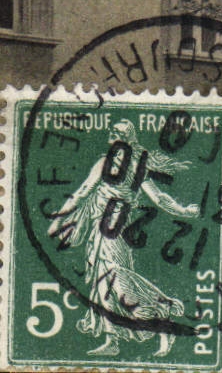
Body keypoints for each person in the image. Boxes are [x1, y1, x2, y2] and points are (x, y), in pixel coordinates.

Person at [47, 118, 200, 358]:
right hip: (102, 228)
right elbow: (83, 191)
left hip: (115, 230)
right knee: (103, 283)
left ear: (127, 140)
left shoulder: (131, 167)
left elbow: (158, 198)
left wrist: (183, 211)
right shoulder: (106, 163)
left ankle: (162, 308)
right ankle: (115, 338)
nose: (112, 134)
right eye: (112, 131)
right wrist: (60, 217)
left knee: (115, 280)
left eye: (117, 132)